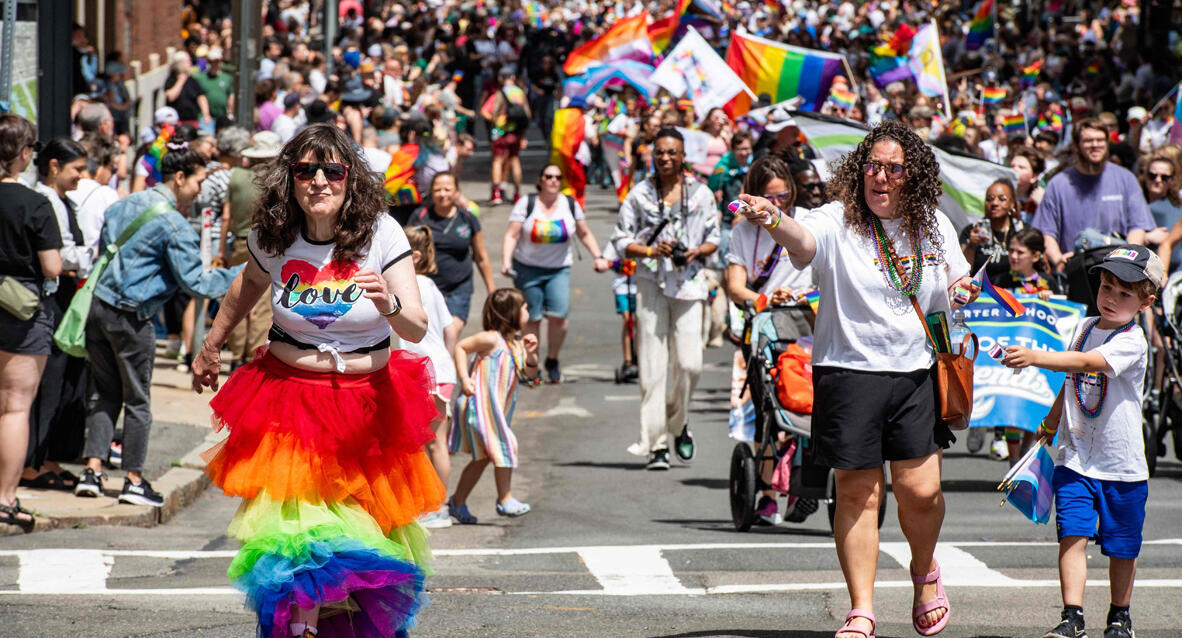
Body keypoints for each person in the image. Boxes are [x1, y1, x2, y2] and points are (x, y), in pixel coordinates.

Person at [191, 123, 441, 638]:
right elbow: (247, 285)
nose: (320, 181)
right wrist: (212, 343)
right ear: (291, 178)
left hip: (367, 407)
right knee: (301, 543)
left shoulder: (381, 233)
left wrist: (388, 304)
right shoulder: (276, 233)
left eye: (333, 170)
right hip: (291, 406)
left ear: (351, 178)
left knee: (364, 549)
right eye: (307, 170)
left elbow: (415, 324)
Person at [735, 119, 977, 638]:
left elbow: (957, 278)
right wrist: (775, 219)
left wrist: (963, 291)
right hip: (848, 373)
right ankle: (862, 608)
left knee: (921, 491)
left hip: (916, 373)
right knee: (857, 493)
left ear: (913, 176)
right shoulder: (835, 219)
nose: (881, 177)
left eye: (893, 168)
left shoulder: (933, 224)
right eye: (872, 166)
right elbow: (802, 243)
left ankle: (924, 571)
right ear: (858, 170)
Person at [1001, 245, 1161, 638]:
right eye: (1107, 287)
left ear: (1146, 302)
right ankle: (1072, 616)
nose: (1111, 298)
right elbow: (1072, 379)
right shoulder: (1083, 328)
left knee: (1122, 547)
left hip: (1121, 464)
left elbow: (1088, 364)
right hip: (1075, 458)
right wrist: (1053, 419)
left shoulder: (1132, 341)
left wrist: (1036, 357)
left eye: (1125, 294)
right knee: (1071, 534)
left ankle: (1120, 616)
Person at [73, 142, 239, 507]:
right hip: (133, 317)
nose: (200, 190)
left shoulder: (123, 204)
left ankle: (92, 471)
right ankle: (133, 479)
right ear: (179, 178)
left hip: (98, 309)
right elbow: (197, 283)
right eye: (197, 181)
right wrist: (245, 274)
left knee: (103, 393)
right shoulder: (175, 224)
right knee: (137, 401)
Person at [612, 128, 720, 470]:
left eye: (672, 152)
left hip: (689, 284)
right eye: (659, 152)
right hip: (651, 283)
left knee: (690, 365)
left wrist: (694, 252)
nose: (665, 158)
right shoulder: (639, 194)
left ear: (683, 155)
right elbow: (620, 240)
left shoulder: (701, 193)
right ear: (652, 155)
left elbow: (713, 238)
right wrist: (649, 249)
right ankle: (656, 443)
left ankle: (678, 421)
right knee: (652, 366)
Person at [724, 156, 816, 525]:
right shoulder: (743, 232)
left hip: (809, 322)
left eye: (783, 196)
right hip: (766, 325)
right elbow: (734, 286)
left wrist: (803, 296)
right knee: (770, 411)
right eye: (769, 197)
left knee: (811, 403)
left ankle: (803, 485)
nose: (776, 205)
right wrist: (764, 298)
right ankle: (766, 495)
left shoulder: (808, 219)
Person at [0, 114, 62, 532]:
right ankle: (4, 498)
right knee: (14, 407)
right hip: (21, 312)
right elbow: (52, 265)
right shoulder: (35, 204)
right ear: (24, 154)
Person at [501, 165, 609, 383]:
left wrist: (599, 256)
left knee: (559, 318)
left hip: (558, 269)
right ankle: (531, 363)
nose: (553, 181)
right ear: (540, 180)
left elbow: (584, 232)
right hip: (527, 268)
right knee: (531, 319)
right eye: (548, 176)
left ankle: (552, 359)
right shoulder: (527, 203)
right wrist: (506, 261)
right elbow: (512, 235)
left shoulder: (569, 204)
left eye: (558, 177)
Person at [26, 138, 92, 492]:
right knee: (49, 381)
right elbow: (58, 254)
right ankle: (31, 462)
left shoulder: (63, 200)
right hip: (52, 296)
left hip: (67, 295)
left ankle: (47, 456)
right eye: (76, 170)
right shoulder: (44, 201)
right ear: (54, 166)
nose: (81, 176)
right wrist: (91, 253)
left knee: (66, 380)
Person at [447, 288, 539, 523]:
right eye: (525, 308)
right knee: (505, 445)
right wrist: (464, 378)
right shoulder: (491, 339)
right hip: (480, 406)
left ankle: (457, 502)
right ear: (511, 313)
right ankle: (505, 499)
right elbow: (461, 347)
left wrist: (531, 355)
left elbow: (531, 377)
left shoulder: (516, 344)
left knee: (483, 457)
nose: (528, 312)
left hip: (496, 411)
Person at [1033, 118, 1154, 271]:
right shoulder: (1058, 184)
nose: (1095, 145)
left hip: (1117, 270)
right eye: (1088, 141)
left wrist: (1127, 262)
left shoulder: (1126, 178)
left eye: (1100, 140)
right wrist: (1058, 260)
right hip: (1075, 270)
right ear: (1076, 146)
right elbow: (1046, 231)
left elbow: (1137, 226)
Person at [401, 225, 457, 529]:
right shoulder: (432, 287)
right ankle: (437, 505)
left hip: (421, 372)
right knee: (436, 442)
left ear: (416, 256)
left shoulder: (410, 286)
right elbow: (449, 330)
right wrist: (446, 362)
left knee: (424, 443)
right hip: (440, 370)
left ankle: (435, 507)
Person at [415, 172, 495, 346]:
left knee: (450, 332)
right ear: (431, 192)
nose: (443, 194)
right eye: (438, 190)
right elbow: (407, 252)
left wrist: (492, 291)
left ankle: (447, 370)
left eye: (447, 189)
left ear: (457, 191)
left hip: (460, 286)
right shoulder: (420, 216)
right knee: (429, 337)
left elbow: (480, 256)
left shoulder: (468, 219)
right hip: (428, 286)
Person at [223, 131, 280, 369]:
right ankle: (252, 355)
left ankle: (236, 354)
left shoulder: (235, 176)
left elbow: (226, 216)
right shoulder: (275, 181)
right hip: (268, 243)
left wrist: (220, 251)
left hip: (238, 242)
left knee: (237, 298)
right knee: (262, 303)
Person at [488, 67, 531, 205]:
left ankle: (496, 194)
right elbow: (527, 114)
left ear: (501, 78)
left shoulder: (501, 92)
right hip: (517, 132)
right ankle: (517, 193)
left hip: (503, 132)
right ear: (512, 77)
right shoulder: (520, 92)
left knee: (497, 161)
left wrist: (496, 125)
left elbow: (495, 112)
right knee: (515, 160)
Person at [1140, 155, 1182, 271]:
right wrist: (1146, 238)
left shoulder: (1178, 209)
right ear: (1145, 176)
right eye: (1152, 175)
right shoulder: (1134, 205)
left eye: (1164, 177)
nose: (1158, 180)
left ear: (1172, 180)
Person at [164, 51, 211, 129]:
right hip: (176, 122)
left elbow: (201, 97)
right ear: (180, 64)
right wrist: (181, 81)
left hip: (192, 121)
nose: (190, 63)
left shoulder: (192, 80)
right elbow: (170, 97)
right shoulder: (171, 80)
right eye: (188, 61)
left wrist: (206, 114)